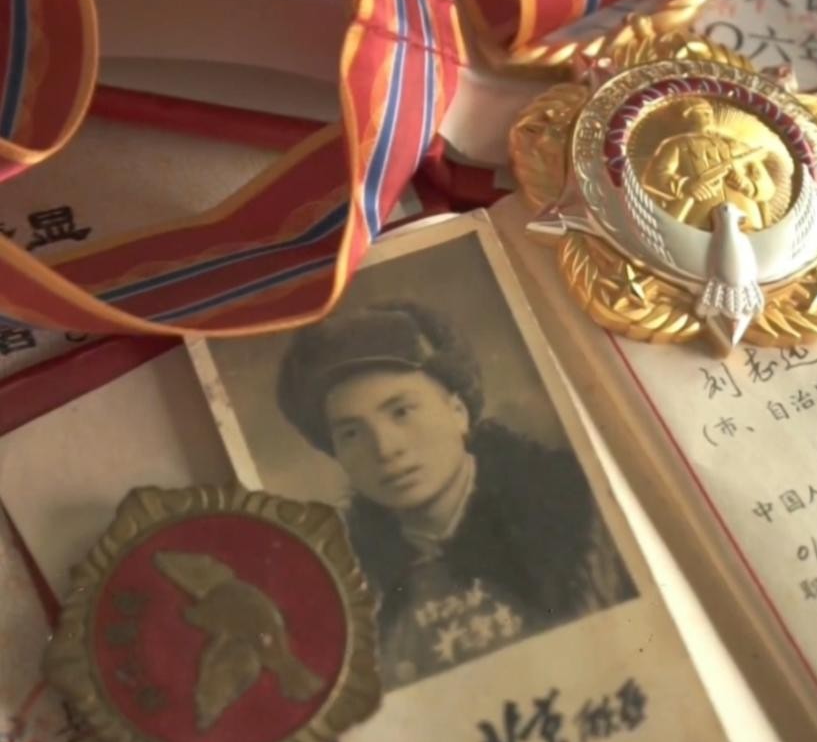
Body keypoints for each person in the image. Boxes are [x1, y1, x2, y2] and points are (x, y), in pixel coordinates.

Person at [277, 302, 635, 687]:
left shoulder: (587, 515)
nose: (385, 448)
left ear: (458, 411)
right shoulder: (345, 589)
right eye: (351, 433)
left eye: (401, 412)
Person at [644, 97, 777, 229]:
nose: (709, 116)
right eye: (701, 112)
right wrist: (685, 186)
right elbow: (654, 176)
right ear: (686, 116)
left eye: (709, 112)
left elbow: (768, 186)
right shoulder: (676, 145)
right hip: (696, 227)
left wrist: (749, 186)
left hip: (748, 224)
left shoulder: (739, 146)